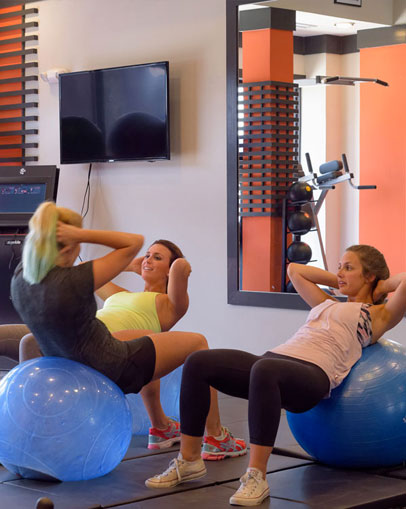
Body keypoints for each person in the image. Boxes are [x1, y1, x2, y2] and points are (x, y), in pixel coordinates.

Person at [146, 245, 406, 506]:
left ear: (370, 276)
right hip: (275, 360)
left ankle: (256, 475)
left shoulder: (377, 315)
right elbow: (295, 271)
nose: (339, 273)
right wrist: (341, 279)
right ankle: (190, 460)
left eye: (348, 268)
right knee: (198, 361)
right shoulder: (325, 304)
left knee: (264, 369)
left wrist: (382, 287)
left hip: (313, 375)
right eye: (339, 266)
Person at [10, 201, 247, 462]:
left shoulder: (166, 304)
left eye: (157, 257)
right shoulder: (119, 294)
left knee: (150, 337)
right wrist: (130, 265)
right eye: (146, 255)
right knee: (29, 340)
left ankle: (190, 431)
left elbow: (179, 273)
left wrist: (177, 268)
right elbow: (86, 268)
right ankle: (171, 429)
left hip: (96, 342)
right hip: (93, 341)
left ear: (168, 268)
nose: (148, 259)